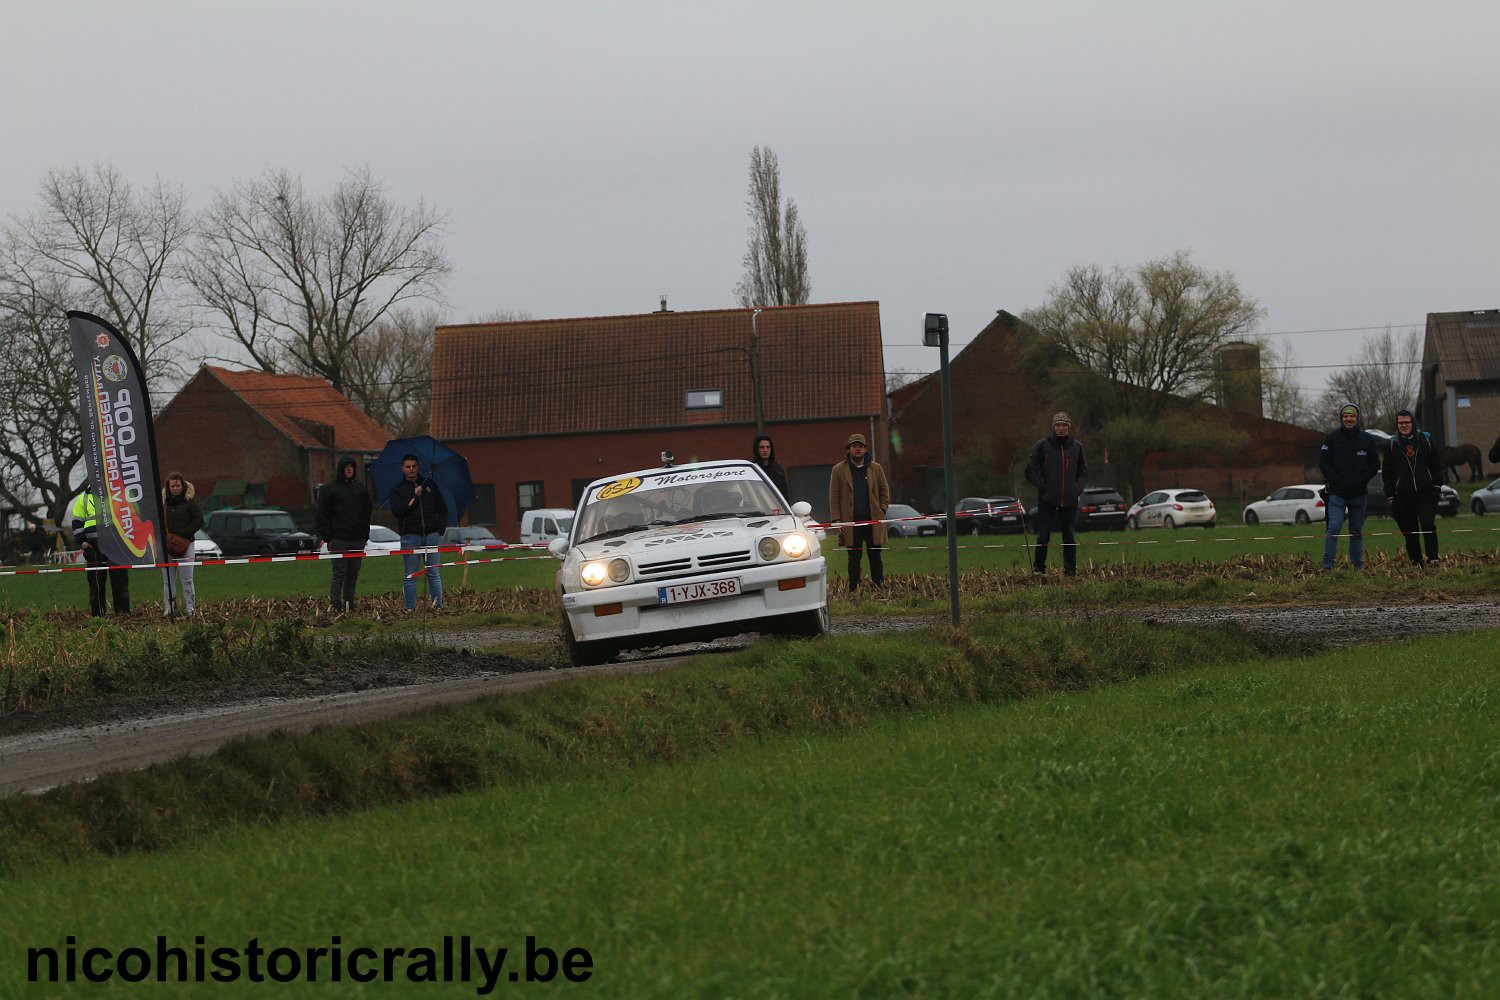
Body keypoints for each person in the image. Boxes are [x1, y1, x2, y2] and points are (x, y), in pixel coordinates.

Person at [1318, 402, 1382, 570]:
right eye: (1345, 416)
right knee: (1333, 528)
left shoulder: (1367, 439)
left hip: (1359, 494)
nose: (1348, 419)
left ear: (1357, 418)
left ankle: (1357, 564)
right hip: (1337, 493)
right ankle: (1327, 565)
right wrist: (1335, 480)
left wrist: (1362, 480)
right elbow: (1323, 463)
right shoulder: (1331, 439)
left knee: (1356, 531)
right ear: (1341, 418)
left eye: (1352, 416)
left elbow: (1375, 464)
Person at [1025, 411, 1088, 577]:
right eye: (1058, 425)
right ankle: (1039, 570)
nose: (1061, 428)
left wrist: (1077, 489)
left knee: (1069, 538)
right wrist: (1045, 488)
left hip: (1070, 501)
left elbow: (1083, 472)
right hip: (1047, 500)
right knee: (1043, 536)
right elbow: (1030, 471)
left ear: (1069, 428)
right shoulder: (1042, 445)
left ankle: (1070, 572)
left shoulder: (1077, 447)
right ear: (1053, 427)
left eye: (1064, 425)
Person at [828, 432, 889, 591]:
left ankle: (879, 588)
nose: (857, 449)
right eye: (854, 446)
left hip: (873, 522)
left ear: (865, 449)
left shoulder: (876, 468)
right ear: (849, 449)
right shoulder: (838, 470)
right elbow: (834, 496)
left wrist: (882, 510)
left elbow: (884, 491)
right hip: (851, 523)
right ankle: (853, 589)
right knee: (854, 558)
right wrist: (836, 519)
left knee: (875, 557)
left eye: (860, 446)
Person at [1382, 408, 1444, 566]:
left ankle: (1433, 559)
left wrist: (1437, 486)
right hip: (1402, 496)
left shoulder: (1426, 439)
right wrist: (1390, 495)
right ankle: (1416, 562)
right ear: (1397, 425)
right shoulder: (1391, 444)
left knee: (1428, 524)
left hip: (1426, 493)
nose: (1404, 425)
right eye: (1400, 423)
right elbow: (1387, 472)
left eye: (1407, 422)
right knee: (1409, 532)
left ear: (1413, 422)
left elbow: (1437, 465)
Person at [387, 453, 447, 610]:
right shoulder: (397, 490)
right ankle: (410, 608)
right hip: (410, 537)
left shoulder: (431, 485)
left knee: (433, 573)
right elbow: (398, 511)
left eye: (414, 466)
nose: (411, 469)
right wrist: (414, 498)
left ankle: (437, 607)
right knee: (411, 575)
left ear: (418, 467)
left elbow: (442, 508)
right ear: (403, 469)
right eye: (408, 467)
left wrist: (439, 530)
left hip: (431, 536)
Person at [316, 454, 373, 611]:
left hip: (357, 539)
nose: (349, 469)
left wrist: (364, 534)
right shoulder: (330, 489)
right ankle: (335, 604)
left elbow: (367, 512)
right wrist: (329, 537)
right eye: (346, 466)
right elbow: (321, 514)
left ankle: (349, 603)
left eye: (351, 466)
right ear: (341, 469)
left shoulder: (361, 489)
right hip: (338, 540)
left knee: (353, 574)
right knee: (339, 574)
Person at [71, 486, 131, 616]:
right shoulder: (83, 498)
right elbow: (77, 523)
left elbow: (126, 517)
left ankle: (123, 615)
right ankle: (98, 617)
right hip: (93, 548)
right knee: (96, 584)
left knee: (119, 581)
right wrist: (82, 542)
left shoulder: (116, 495)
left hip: (115, 546)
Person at [161, 472, 204, 615]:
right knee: (168, 580)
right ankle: (169, 608)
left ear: (183, 486)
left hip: (186, 545)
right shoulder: (163, 503)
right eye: (172, 486)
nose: (175, 488)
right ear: (168, 487)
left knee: (187, 580)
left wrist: (185, 533)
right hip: (167, 546)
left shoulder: (190, 502)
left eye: (178, 485)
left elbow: (199, 520)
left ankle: (190, 608)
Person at [751, 434, 791, 500]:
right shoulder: (752, 469)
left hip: (777, 506)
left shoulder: (778, 470)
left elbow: (785, 494)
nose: (765, 450)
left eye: (768, 447)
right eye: (762, 447)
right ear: (756, 449)